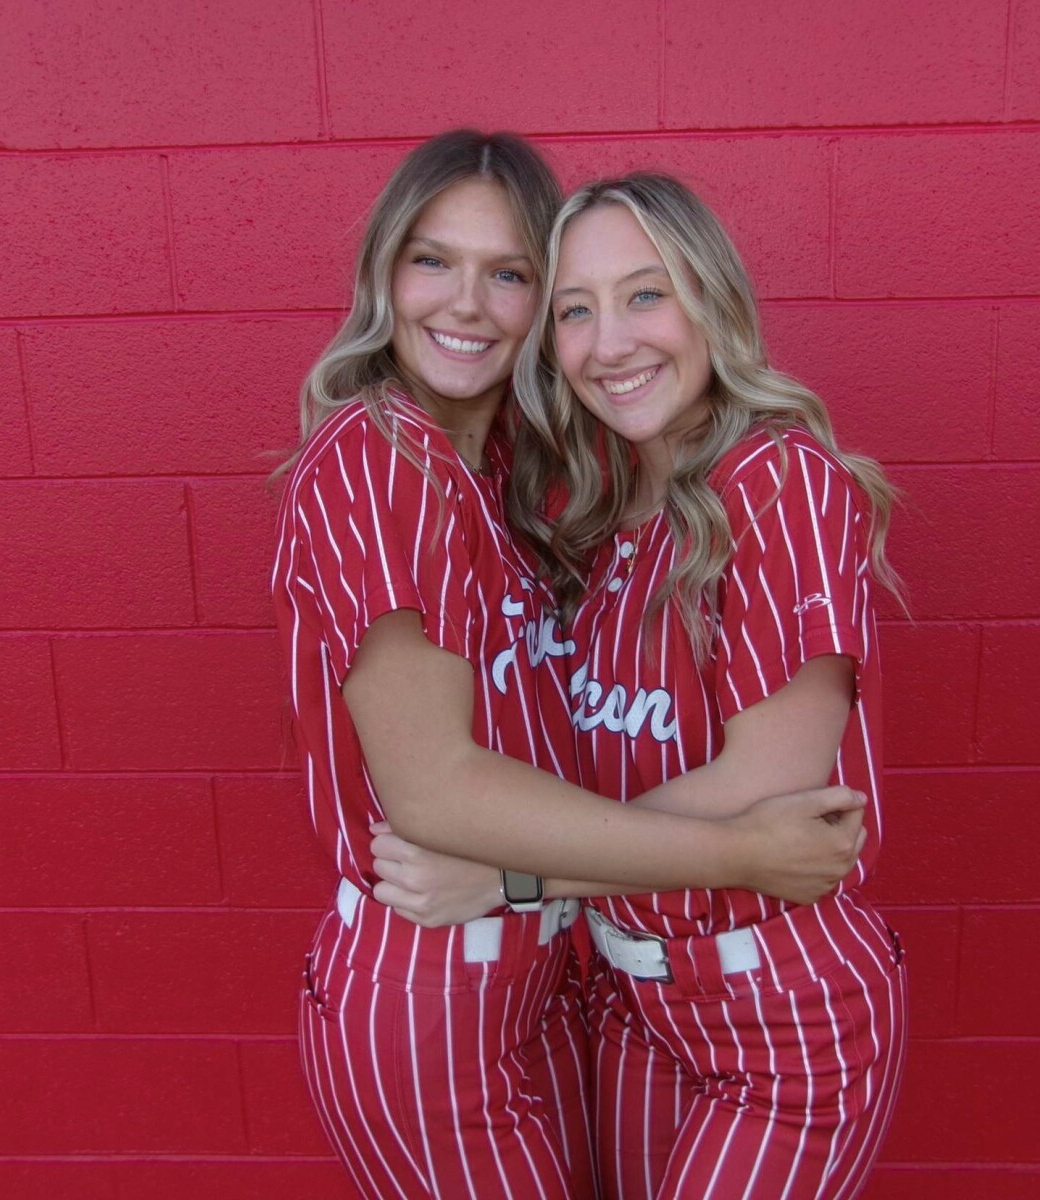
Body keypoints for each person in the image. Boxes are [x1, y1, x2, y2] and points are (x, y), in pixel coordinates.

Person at [273, 133, 867, 1200]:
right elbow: (434, 791)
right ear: (383, 277)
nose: (467, 303)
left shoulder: (548, 491)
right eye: (431, 260)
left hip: (591, 984)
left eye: (509, 275)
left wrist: (522, 881)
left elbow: (769, 784)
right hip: (448, 984)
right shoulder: (379, 458)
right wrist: (729, 850)